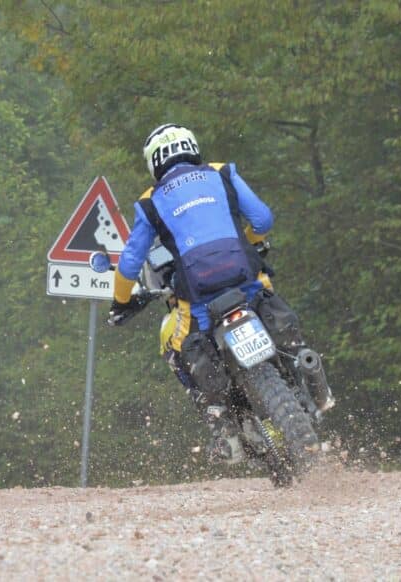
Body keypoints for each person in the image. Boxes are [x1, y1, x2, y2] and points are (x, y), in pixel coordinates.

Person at [109, 124, 333, 464]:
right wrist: (253, 243)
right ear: (192, 147)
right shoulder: (222, 173)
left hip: (201, 302)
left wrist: (121, 302)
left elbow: (128, 266)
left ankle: (224, 431)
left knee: (174, 345)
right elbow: (263, 218)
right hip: (248, 284)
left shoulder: (150, 202)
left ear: (154, 163)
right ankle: (311, 372)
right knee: (278, 312)